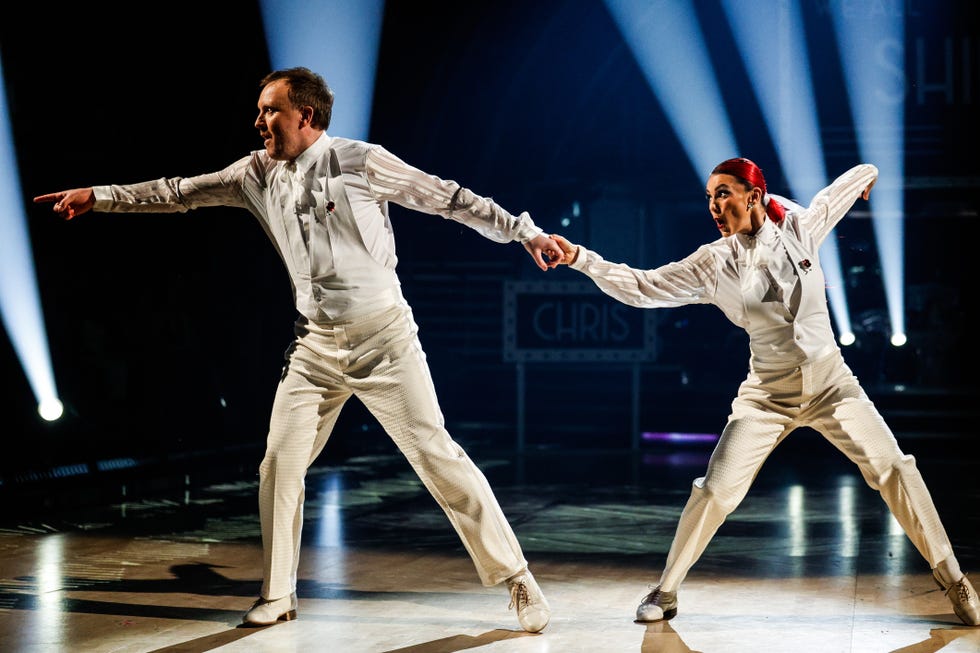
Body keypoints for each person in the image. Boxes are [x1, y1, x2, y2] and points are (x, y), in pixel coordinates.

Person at [34, 66, 558, 633]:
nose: (258, 121)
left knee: (436, 455)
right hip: (314, 348)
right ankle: (277, 593)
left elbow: (450, 200)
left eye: (269, 110)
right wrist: (101, 197)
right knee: (279, 463)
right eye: (261, 111)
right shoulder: (254, 173)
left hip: (385, 341)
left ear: (304, 116)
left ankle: (518, 579)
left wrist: (524, 232)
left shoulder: (360, 160)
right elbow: (178, 192)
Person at [549, 157, 979, 627]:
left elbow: (832, 197)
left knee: (895, 467)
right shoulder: (714, 261)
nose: (714, 205)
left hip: (834, 386)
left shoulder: (797, 228)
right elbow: (644, 287)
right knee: (715, 490)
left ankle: (953, 577)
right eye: (710, 196)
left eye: (724, 193)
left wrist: (867, 173)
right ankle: (666, 589)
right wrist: (581, 258)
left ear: (753, 195)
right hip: (766, 396)